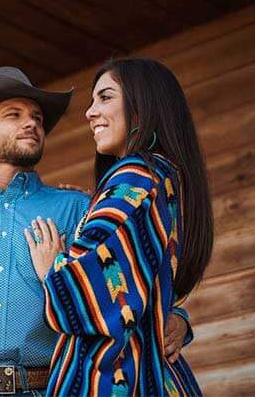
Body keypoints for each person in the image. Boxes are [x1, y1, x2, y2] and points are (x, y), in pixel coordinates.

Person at [0, 67, 192, 396]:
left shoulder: (79, 209)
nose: (32, 124)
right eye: (14, 115)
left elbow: (135, 276)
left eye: (37, 118)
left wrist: (178, 318)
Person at [26, 58, 211, 396]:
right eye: (92, 101)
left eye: (105, 97)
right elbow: (147, 288)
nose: (90, 112)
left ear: (142, 106)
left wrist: (52, 268)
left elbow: (90, 299)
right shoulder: (162, 180)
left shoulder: (135, 180)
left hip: (116, 381)